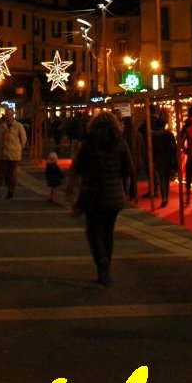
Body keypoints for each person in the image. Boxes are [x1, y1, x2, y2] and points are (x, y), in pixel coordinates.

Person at [70, 112, 133, 286]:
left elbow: (79, 168)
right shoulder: (120, 142)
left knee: (93, 232)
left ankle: (102, 264)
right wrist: (125, 186)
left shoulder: (89, 144)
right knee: (108, 232)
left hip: (94, 195)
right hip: (114, 196)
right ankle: (106, 267)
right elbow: (128, 168)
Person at [0, 109, 27, 199]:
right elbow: (0, 138)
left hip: (14, 155)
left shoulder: (18, 126)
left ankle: (10, 192)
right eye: (7, 115)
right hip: (4, 153)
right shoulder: (2, 126)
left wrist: (19, 148)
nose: (8, 116)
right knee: (0, 173)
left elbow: (23, 139)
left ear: (13, 115)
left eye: (10, 115)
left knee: (12, 174)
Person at [150, 110, 178, 207]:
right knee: (166, 179)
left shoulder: (153, 136)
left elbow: (151, 148)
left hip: (158, 158)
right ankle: (166, 196)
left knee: (162, 178)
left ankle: (164, 197)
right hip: (168, 158)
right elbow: (174, 147)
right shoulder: (168, 134)